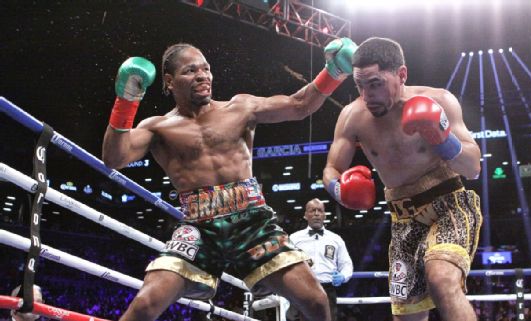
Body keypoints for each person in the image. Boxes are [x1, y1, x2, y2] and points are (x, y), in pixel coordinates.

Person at [102, 38, 356, 321]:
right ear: (169, 81)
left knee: (316, 300)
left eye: (206, 69)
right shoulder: (158, 127)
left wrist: (334, 72)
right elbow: (115, 158)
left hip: (252, 223)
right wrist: (127, 100)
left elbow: (299, 105)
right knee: (146, 304)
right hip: (199, 229)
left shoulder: (240, 108)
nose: (202, 76)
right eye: (190, 71)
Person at [323, 37, 482, 321]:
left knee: (442, 280)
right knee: (408, 316)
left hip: (450, 206)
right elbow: (331, 170)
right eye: (359, 85)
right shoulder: (352, 117)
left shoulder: (439, 100)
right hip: (403, 219)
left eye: (375, 84)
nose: (367, 95)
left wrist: (442, 139)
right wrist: (340, 190)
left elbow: (473, 167)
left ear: (402, 75)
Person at [288, 198, 353, 321]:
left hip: (327, 289)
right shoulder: (294, 239)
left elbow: (346, 264)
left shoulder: (336, 239)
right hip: (301, 288)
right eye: (312, 210)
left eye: (320, 211)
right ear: (306, 215)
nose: (316, 214)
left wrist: (343, 276)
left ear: (324, 215)